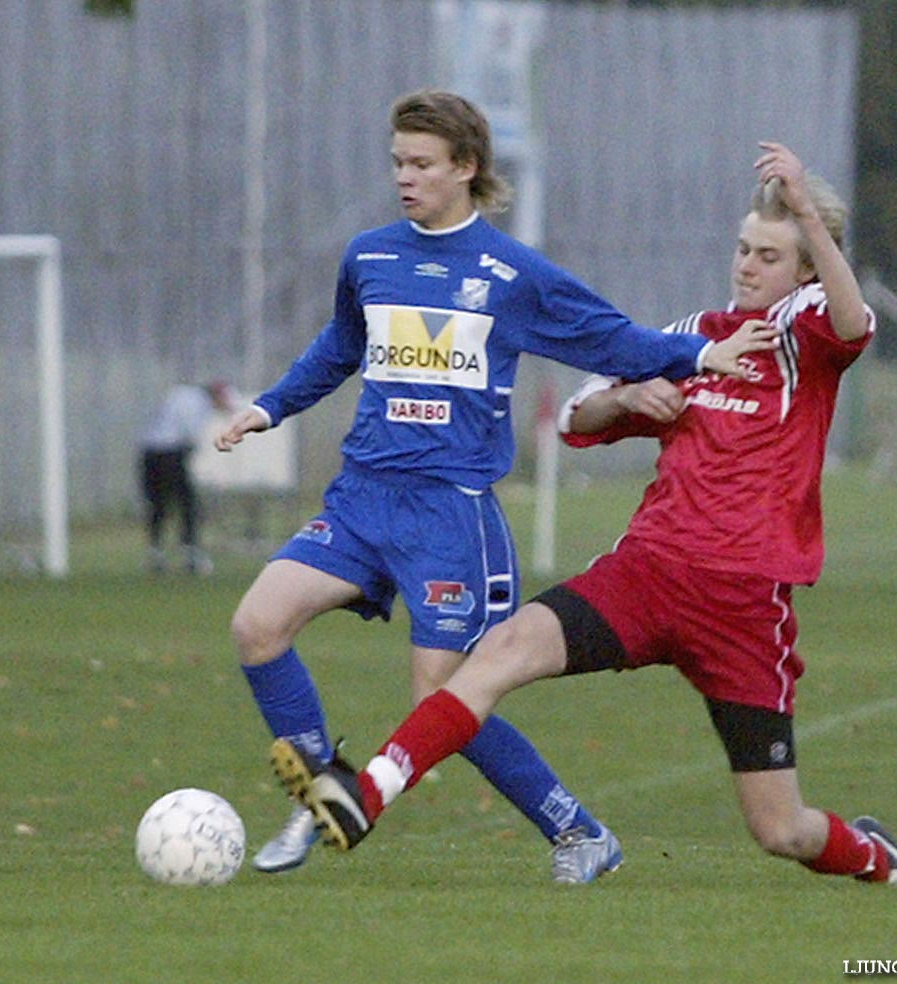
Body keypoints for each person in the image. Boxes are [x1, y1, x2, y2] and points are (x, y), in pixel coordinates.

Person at [268, 141, 897, 886]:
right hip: (644, 575)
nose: (746, 265)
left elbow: (852, 323)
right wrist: (628, 398)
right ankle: (363, 798)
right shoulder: (694, 336)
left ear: (805, 265)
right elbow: (575, 421)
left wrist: (809, 214)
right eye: (743, 249)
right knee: (499, 653)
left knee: (780, 830)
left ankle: (877, 858)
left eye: (769, 255)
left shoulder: (808, 339)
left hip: (741, 604)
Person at [213, 90, 766, 881]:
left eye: (422, 165)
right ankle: (321, 799)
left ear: (466, 168)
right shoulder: (369, 256)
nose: (404, 178)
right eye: (397, 162)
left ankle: (578, 832)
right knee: (257, 626)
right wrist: (268, 408)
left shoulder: (510, 273)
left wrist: (695, 358)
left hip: (449, 513)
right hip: (363, 496)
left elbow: (605, 334)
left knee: (442, 697)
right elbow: (338, 348)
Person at [139, 379, 234, 574]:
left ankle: (156, 552)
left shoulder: (182, 394)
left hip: (149, 451)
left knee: (158, 505)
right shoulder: (198, 404)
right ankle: (189, 553)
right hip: (170, 454)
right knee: (187, 504)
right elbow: (188, 433)